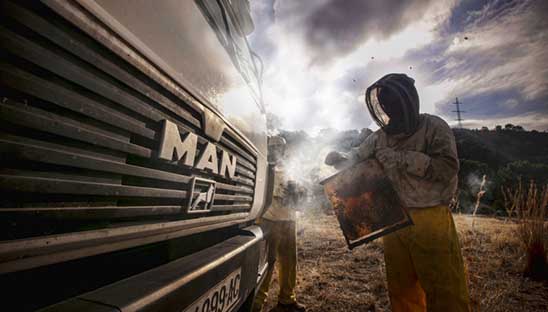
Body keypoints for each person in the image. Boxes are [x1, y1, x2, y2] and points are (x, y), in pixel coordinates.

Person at [325, 73, 470, 312]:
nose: (389, 107)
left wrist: (402, 158)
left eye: (392, 102)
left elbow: (447, 168)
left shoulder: (434, 127)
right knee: (402, 291)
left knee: (445, 290)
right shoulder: (380, 137)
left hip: (430, 217)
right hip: (393, 219)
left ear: (409, 101)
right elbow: (357, 157)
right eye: (385, 104)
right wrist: (340, 159)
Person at [252, 136, 306, 312]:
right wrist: (279, 192)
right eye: (273, 147)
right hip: (270, 220)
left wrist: (299, 194)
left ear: (284, 150)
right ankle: (258, 302)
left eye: (279, 147)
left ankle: (286, 300)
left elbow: (299, 193)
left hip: (289, 220)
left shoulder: (291, 168)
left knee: (290, 262)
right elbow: (260, 190)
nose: (276, 150)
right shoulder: (264, 167)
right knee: (267, 262)